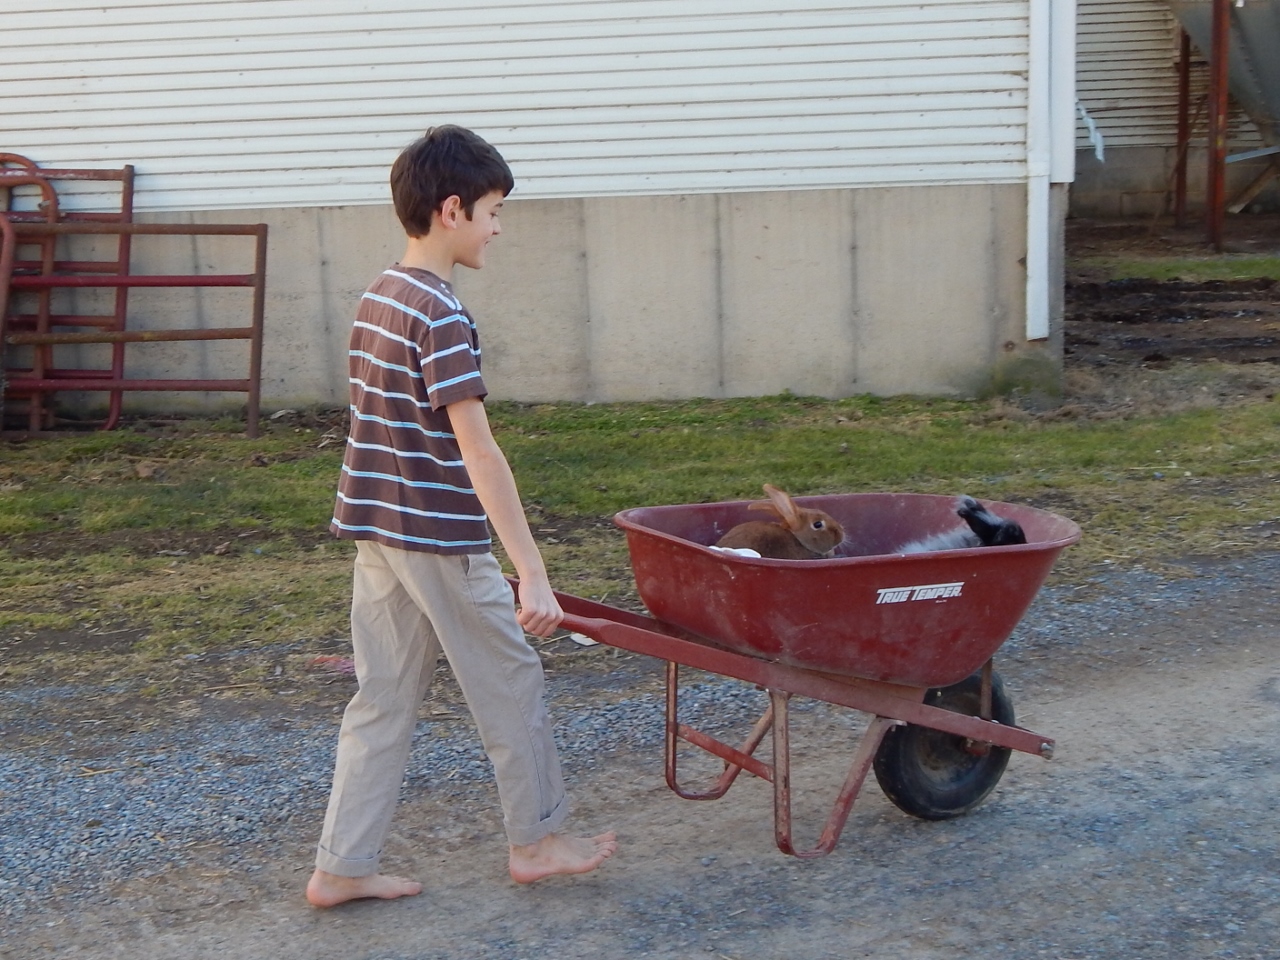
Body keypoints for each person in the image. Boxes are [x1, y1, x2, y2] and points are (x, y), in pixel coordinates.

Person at [306, 125, 617, 908]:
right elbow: (479, 453)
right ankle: (540, 840)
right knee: (511, 682)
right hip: (438, 538)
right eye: (493, 210)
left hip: (378, 531)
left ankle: (341, 865)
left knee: (381, 696)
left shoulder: (381, 294)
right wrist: (532, 572)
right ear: (451, 211)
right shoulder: (440, 314)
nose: (498, 226)